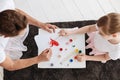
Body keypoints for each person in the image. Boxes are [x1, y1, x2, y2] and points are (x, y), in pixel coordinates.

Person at [0, 0, 57, 71]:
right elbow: (11, 65)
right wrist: (38, 59)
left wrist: (41, 24)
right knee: (11, 57)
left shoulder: (5, 3)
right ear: (5, 36)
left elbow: (17, 12)